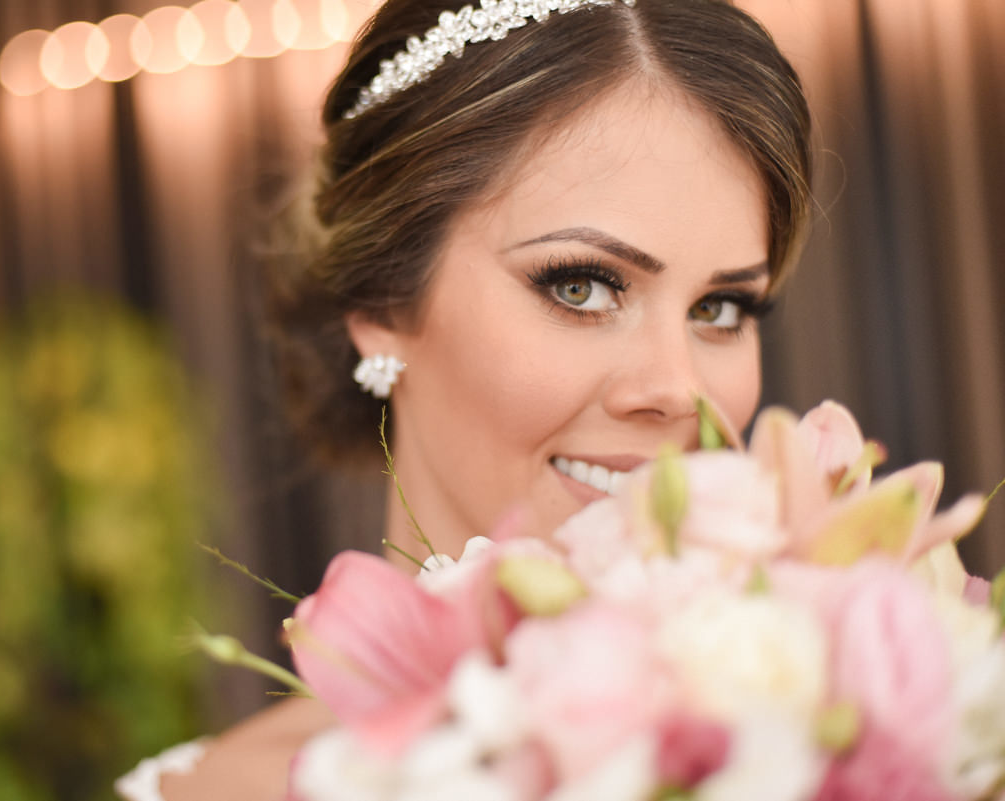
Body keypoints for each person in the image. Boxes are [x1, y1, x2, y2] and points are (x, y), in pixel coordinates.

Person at [120, 0, 813, 798]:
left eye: (720, 308)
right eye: (581, 285)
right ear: (383, 301)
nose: (676, 390)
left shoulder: (823, 730)